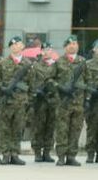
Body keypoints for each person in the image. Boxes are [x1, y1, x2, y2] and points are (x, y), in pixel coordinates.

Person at [0, 36, 30, 165]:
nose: (15, 46)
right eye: (12, 45)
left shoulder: (28, 65)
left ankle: (15, 154)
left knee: (18, 129)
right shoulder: (2, 63)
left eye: (17, 44)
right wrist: (2, 88)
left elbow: (33, 83)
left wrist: (29, 98)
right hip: (6, 102)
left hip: (21, 103)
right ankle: (5, 154)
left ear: (22, 46)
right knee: (4, 129)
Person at [52, 35, 87, 167]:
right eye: (70, 44)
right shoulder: (58, 62)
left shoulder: (83, 62)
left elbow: (88, 80)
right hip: (63, 103)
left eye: (75, 43)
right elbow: (49, 79)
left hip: (78, 103)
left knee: (75, 130)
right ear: (65, 47)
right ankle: (61, 156)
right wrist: (60, 87)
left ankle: (71, 156)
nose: (73, 46)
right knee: (62, 130)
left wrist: (87, 99)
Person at [28, 44, 58, 162]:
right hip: (39, 102)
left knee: (50, 127)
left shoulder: (57, 65)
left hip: (53, 101)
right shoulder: (35, 66)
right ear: (41, 51)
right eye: (45, 50)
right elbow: (31, 82)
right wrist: (36, 91)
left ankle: (47, 152)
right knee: (38, 127)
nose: (47, 52)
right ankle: (37, 152)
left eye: (49, 50)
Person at [87, 40, 98, 164]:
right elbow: (84, 82)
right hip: (93, 101)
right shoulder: (87, 64)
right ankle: (90, 153)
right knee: (92, 127)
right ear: (94, 50)